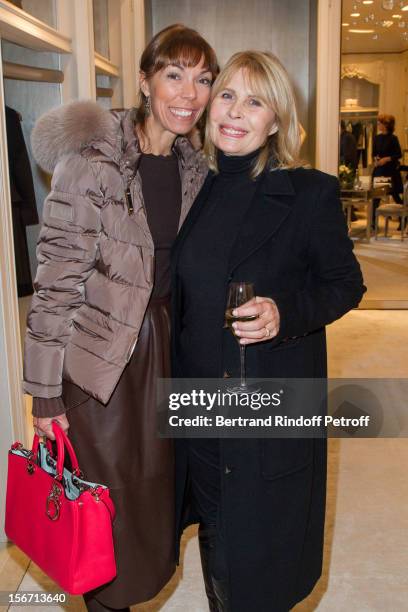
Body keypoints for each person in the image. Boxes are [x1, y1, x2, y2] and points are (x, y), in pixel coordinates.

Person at [23, 24, 218, 612]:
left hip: (167, 357)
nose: (188, 93)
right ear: (144, 80)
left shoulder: (196, 172)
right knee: (105, 515)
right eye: (173, 75)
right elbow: (55, 282)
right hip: (100, 367)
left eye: (203, 79)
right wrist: (44, 395)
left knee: (153, 510)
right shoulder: (93, 165)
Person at [171, 51, 366, 611]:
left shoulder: (308, 194)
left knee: (260, 557)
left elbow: (345, 285)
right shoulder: (193, 188)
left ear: (277, 120)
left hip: (265, 411)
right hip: (195, 406)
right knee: (217, 539)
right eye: (227, 95)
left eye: (255, 101)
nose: (236, 112)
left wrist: (286, 314)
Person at [371, 113, 403, 229]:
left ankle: (402, 219)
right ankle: (373, 223)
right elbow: (374, 153)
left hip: (390, 171)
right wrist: (376, 159)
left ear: (386, 125)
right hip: (380, 171)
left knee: (395, 196)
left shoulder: (393, 138)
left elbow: (398, 154)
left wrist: (386, 159)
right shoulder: (376, 138)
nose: (378, 125)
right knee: (376, 197)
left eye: (380, 123)